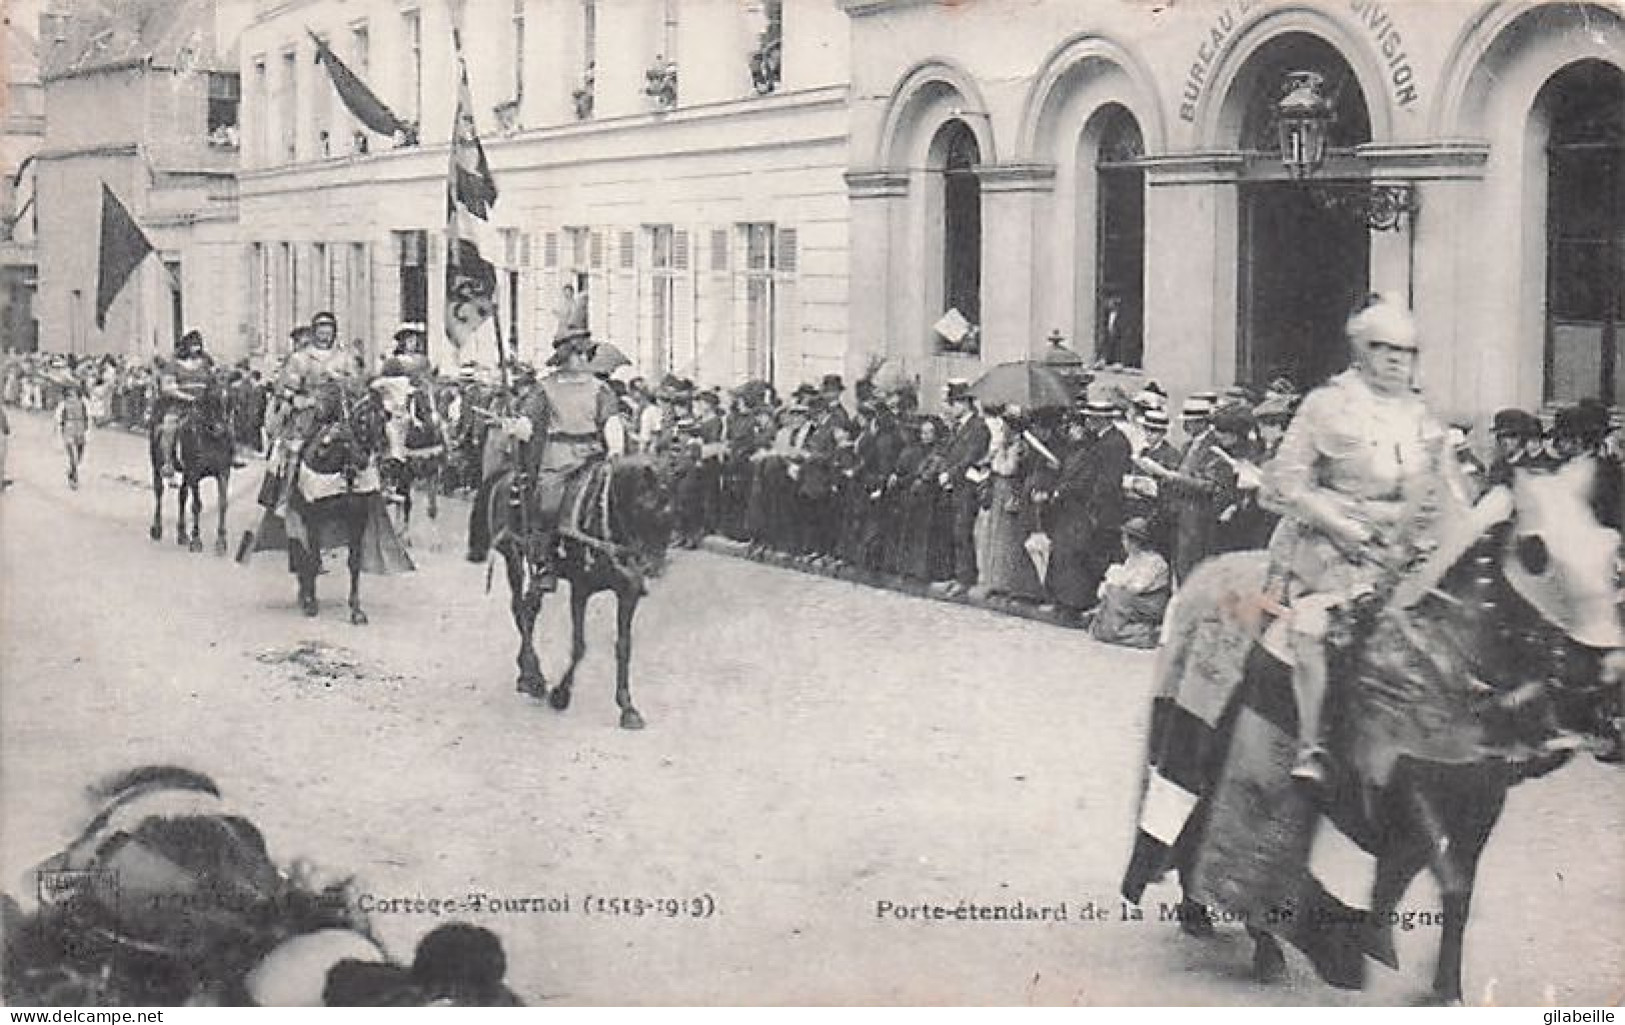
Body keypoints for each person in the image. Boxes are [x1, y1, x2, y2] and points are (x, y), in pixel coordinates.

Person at [1263, 293, 1468, 786]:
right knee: (1312, 632)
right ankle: (1311, 746)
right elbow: (1286, 482)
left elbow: (1449, 488)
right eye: (1385, 349)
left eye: (1408, 351)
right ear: (1360, 350)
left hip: (1406, 555)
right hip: (1331, 553)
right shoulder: (1326, 405)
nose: (1399, 360)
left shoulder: (1422, 415)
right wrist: (1343, 528)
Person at [468, 326, 624, 590]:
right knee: (548, 502)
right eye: (582, 354)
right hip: (558, 456)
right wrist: (516, 426)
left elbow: (611, 420)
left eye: (587, 354)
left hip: (594, 454)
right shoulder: (544, 389)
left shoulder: (601, 388)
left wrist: (616, 448)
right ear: (568, 356)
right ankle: (544, 561)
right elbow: (528, 423)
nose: (585, 359)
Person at [936, 379, 990, 595]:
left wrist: (951, 473)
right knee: (955, 530)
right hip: (955, 484)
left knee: (963, 530)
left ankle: (966, 577)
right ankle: (957, 573)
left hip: (968, 484)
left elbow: (971, 456)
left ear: (966, 403)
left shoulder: (978, 427)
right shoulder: (958, 427)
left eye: (956, 402)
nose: (953, 407)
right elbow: (949, 452)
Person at [1088, 516, 1172, 647]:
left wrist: (1117, 582)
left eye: (1125, 539)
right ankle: (1120, 630)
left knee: (1115, 594)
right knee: (1112, 593)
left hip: (1149, 604)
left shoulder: (1154, 561)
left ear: (1134, 542)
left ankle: (1138, 633)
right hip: (1134, 600)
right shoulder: (1132, 558)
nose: (1123, 543)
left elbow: (1137, 587)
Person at [153, 330, 218, 481]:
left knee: (221, 424)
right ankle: (168, 463)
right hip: (180, 406)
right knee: (169, 427)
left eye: (198, 345)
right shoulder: (174, 364)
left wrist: (213, 393)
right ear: (186, 346)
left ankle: (227, 456)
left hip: (203, 405)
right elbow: (167, 387)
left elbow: (212, 381)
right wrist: (186, 396)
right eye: (193, 345)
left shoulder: (205, 363)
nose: (196, 349)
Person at [55, 380, 90, 488]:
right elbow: (58, 417)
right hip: (69, 427)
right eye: (70, 393)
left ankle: (72, 469)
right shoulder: (63, 404)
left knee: (80, 454)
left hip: (79, 427)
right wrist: (61, 427)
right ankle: (74, 476)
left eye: (74, 392)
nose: (72, 395)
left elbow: (86, 415)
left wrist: (86, 426)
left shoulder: (83, 403)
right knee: (72, 455)